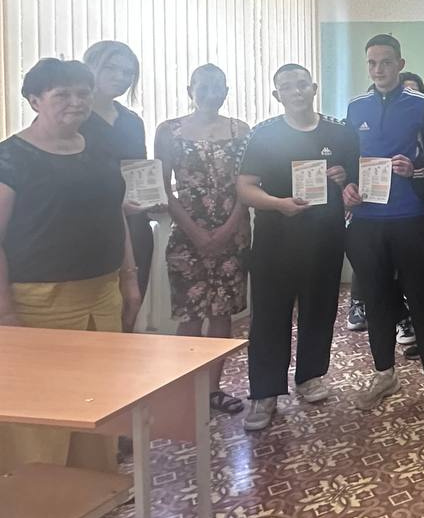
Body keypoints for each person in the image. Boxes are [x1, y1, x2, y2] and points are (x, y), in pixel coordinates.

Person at [0, 58, 141, 473]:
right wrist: (5, 313)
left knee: (98, 401)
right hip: (40, 304)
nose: (76, 102)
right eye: (62, 94)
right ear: (34, 100)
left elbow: (115, 214)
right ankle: (41, 495)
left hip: (102, 295)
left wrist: (129, 279)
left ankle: (95, 488)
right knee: (43, 409)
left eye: (83, 93)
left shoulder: (98, 149)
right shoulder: (11, 157)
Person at [236, 64, 358, 432]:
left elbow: (354, 183)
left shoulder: (339, 131)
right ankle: (265, 392)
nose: (297, 91)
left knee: (320, 310)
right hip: (275, 240)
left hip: (325, 239)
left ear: (314, 88)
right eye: (288, 87)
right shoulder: (264, 135)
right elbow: (245, 188)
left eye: (303, 84)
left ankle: (310, 376)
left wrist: (344, 178)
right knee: (269, 316)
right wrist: (278, 204)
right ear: (277, 95)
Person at [342, 36, 424, 414]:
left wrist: (415, 168)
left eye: (386, 62)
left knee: (420, 297)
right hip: (366, 219)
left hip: (408, 216)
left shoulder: (421, 104)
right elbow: (347, 160)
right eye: (372, 63)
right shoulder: (356, 106)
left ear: (400, 64)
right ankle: (384, 373)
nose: (379, 69)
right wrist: (347, 187)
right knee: (376, 299)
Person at [154, 64, 251, 415]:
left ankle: (212, 390)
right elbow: (163, 186)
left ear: (227, 91)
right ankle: (186, 392)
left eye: (218, 87)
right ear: (189, 90)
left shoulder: (241, 130)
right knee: (190, 315)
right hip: (186, 234)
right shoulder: (169, 131)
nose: (211, 94)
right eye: (203, 87)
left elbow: (247, 185)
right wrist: (194, 231)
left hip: (233, 233)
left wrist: (227, 229)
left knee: (222, 315)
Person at [81, 40, 156, 300]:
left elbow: (140, 170)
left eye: (128, 72)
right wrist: (112, 203)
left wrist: (154, 197)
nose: (121, 77)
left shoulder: (132, 120)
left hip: (135, 226)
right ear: (90, 67)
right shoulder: (70, 116)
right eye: (111, 68)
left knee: (132, 303)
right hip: (88, 226)